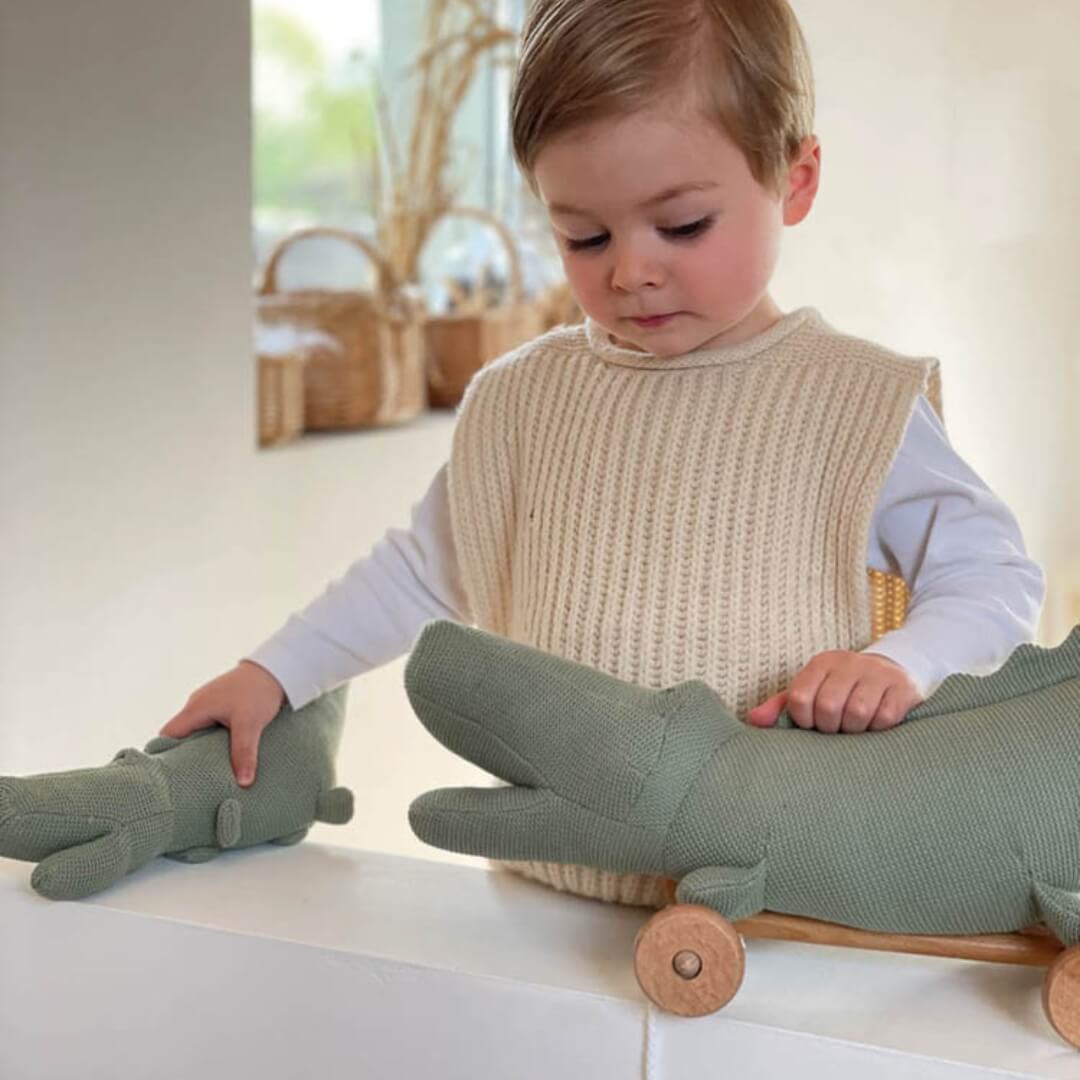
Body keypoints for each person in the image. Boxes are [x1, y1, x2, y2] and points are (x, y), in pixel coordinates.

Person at [160, 0, 1044, 908]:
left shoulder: (861, 404)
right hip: (543, 898)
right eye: (584, 236)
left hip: (771, 907)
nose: (629, 271)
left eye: (683, 226)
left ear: (796, 178)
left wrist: (902, 662)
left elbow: (996, 582)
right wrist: (273, 672)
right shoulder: (520, 401)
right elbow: (421, 573)